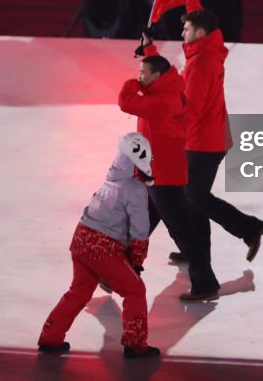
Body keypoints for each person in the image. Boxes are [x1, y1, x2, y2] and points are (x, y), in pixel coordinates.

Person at [145, 0, 263, 263]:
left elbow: (193, 109)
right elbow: (197, 19)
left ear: (199, 33)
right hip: (209, 137)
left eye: (186, 29)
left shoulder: (200, 64)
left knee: (194, 197)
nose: (182, 34)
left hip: (203, 141)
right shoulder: (210, 47)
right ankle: (199, 251)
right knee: (192, 198)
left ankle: (248, 227)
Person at [38, 132, 160, 359]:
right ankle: (135, 345)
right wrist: (137, 260)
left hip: (80, 239)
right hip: (103, 249)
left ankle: (50, 338)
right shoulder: (135, 189)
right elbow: (140, 230)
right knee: (135, 290)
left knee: (78, 291)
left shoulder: (109, 182)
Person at [119, 53, 220, 301]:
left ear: (157, 76)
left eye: (144, 73)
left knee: (182, 232)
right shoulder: (172, 92)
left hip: (163, 176)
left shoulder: (160, 101)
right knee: (145, 224)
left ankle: (205, 283)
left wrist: (134, 82)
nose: (141, 76)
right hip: (163, 171)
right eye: (139, 72)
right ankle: (119, 272)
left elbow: (125, 101)